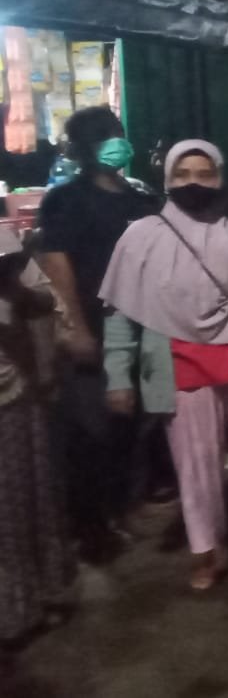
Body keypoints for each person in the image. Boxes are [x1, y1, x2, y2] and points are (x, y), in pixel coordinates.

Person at [101, 141, 228, 590]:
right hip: (178, 363)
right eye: (183, 174)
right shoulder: (142, 237)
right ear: (167, 180)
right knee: (194, 464)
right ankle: (209, 551)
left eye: (204, 173)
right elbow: (121, 313)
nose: (193, 182)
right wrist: (118, 376)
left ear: (219, 177)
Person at [35, 107, 160, 560]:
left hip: (141, 328)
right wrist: (75, 327)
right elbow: (57, 264)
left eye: (118, 133)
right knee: (92, 430)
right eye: (103, 136)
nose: (115, 142)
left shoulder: (138, 197)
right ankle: (91, 526)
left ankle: (126, 505)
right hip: (93, 325)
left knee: (133, 423)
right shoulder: (65, 200)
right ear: (84, 148)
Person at [0, 225, 76, 643]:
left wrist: (20, 295)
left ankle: (31, 601)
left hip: (17, 402)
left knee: (24, 503)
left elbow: (49, 302)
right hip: (19, 395)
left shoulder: (8, 251)